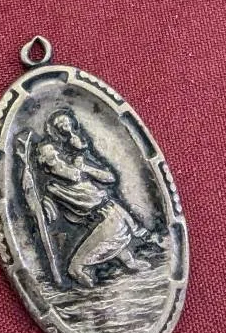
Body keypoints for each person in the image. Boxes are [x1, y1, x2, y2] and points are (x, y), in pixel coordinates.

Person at [35, 110, 151, 288]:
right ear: (47, 167)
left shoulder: (79, 169)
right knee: (108, 242)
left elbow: (110, 178)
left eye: (59, 156)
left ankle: (129, 263)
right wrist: (45, 204)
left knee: (78, 265)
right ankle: (128, 264)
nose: (59, 161)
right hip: (104, 218)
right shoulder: (54, 188)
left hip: (112, 215)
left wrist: (86, 168)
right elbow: (53, 213)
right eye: (53, 160)